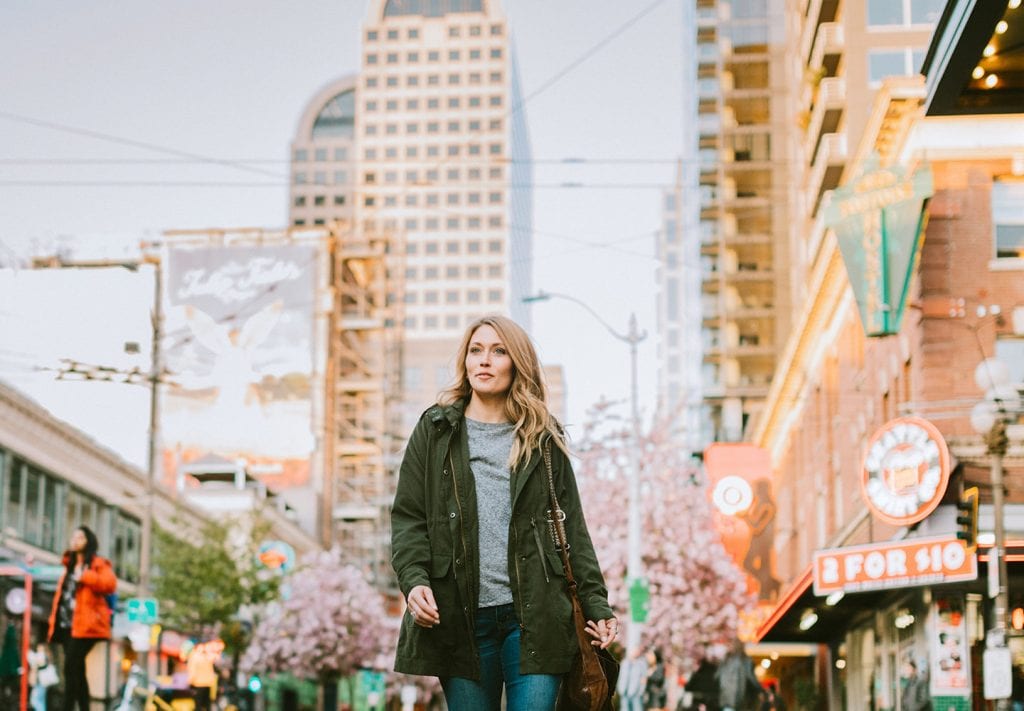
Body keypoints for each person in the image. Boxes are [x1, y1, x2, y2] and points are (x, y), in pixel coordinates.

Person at [391, 315, 618, 711]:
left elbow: (572, 529)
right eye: (476, 350)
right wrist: (414, 581)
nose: (485, 360)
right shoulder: (436, 429)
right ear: (465, 361)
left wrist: (596, 604)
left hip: (534, 618)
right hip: (461, 618)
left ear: (516, 363)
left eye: (498, 351)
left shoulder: (542, 437)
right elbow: (409, 517)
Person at [47, 525, 117, 711]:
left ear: (89, 542)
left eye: (81, 537)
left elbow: (110, 584)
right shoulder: (68, 566)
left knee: (70, 666)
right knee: (76, 669)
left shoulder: (98, 564)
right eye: (74, 536)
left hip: (87, 626)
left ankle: (67, 707)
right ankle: (84, 708)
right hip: (66, 624)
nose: (75, 540)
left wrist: (85, 576)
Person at [715, 639, 761, 711]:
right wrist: (760, 690)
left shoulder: (725, 660)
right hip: (741, 700)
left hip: (726, 700)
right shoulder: (745, 660)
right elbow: (751, 678)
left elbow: (716, 676)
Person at [617, 647, 649, 711]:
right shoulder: (624, 662)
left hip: (636, 693)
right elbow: (620, 676)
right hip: (624, 692)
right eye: (633, 651)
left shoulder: (642, 664)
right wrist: (619, 688)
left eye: (637, 651)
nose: (635, 653)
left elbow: (644, 679)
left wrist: (640, 692)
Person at [28, 643, 55, 711]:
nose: (38, 649)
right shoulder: (44, 656)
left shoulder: (43, 656)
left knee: (35, 700)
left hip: (41, 681)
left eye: (40, 648)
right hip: (41, 681)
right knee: (40, 699)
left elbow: (39, 664)